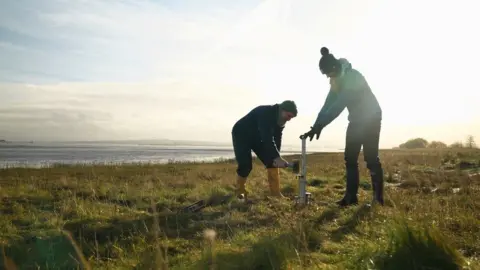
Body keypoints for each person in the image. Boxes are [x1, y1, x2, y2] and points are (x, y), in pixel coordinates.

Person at [302, 47, 384, 206]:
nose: (327, 77)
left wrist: (322, 124)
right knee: (350, 158)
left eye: (327, 73)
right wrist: (317, 125)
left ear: (334, 68)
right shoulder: (336, 81)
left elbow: (340, 104)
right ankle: (350, 197)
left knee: (371, 158)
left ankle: (378, 199)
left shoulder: (353, 77)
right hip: (356, 120)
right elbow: (328, 104)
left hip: (371, 118)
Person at [232, 100, 298, 200]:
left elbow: (277, 137)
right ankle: (240, 190)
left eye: (291, 118)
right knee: (245, 165)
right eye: (289, 116)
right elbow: (267, 137)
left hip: (257, 137)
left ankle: (275, 194)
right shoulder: (266, 113)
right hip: (241, 134)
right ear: (282, 110)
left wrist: (277, 157)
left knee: (272, 162)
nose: (289, 119)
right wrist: (276, 157)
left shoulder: (280, 120)